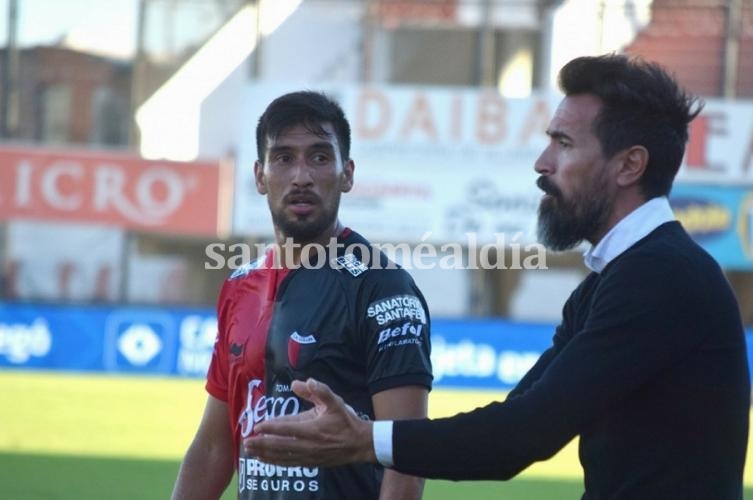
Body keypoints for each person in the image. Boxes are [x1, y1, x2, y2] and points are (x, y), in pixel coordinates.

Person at [244, 54, 751, 499]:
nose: (542, 162)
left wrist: (364, 439)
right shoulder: (614, 279)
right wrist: (369, 439)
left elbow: (523, 436)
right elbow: (514, 422)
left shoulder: (661, 278)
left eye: (564, 144)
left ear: (629, 166)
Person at [170, 91, 433, 500]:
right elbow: (214, 446)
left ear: (347, 173)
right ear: (260, 176)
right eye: (283, 158)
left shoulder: (382, 286)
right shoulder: (239, 287)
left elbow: (407, 464)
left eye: (319, 157)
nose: (301, 176)